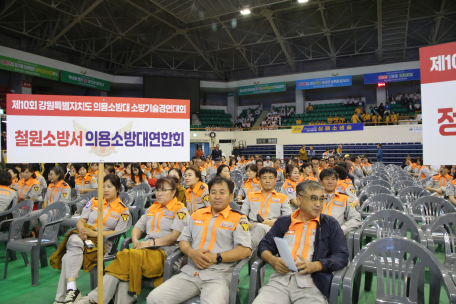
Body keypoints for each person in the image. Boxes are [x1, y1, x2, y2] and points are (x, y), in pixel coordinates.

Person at [76, 177, 189, 304]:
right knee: (128, 261)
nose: (159, 193)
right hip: (144, 252)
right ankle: (124, 299)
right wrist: (135, 241)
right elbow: (137, 227)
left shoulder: (180, 210)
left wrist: (149, 243)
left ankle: (94, 298)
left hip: (165, 253)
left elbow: (174, 237)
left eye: (164, 190)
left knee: (125, 256)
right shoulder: (153, 207)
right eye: (157, 190)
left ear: (174, 192)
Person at [147, 177, 251, 304]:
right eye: (213, 192)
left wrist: (216, 257)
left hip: (219, 275)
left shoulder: (238, 218)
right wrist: (191, 253)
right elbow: (183, 240)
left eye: (222, 192)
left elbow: (245, 250)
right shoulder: (197, 214)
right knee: (154, 299)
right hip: (191, 272)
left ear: (231, 196)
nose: (217, 196)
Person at [254, 180, 349, 304]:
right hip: (280, 281)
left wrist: (316, 265)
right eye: (313, 199)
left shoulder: (330, 224)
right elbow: (264, 246)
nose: (318, 204)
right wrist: (272, 260)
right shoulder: (283, 222)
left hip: (313, 284)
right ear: (298, 199)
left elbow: (342, 256)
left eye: (321, 199)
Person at [52, 175, 130, 304]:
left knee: (67, 257)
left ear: (117, 189)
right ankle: (71, 291)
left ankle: (63, 296)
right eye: (103, 186)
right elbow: (82, 220)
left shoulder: (123, 209)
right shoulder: (94, 201)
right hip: (84, 238)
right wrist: (82, 231)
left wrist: (95, 234)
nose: (105, 189)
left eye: (109, 187)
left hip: (104, 244)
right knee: (75, 240)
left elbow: (118, 232)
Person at [241, 167, 291, 245]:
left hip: (273, 229)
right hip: (251, 228)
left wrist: (269, 222)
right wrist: (249, 226)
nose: (267, 181)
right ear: (260, 180)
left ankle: (247, 253)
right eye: (264, 178)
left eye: (270, 178)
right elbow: (241, 217)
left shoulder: (283, 198)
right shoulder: (250, 196)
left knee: (259, 228)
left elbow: (287, 220)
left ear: (275, 180)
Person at [319, 169, 361, 235]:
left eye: (333, 179)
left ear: (337, 181)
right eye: (327, 179)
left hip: (335, 236)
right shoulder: (313, 198)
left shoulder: (345, 199)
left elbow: (356, 218)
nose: (330, 182)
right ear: (321, 181)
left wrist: (341, 230)